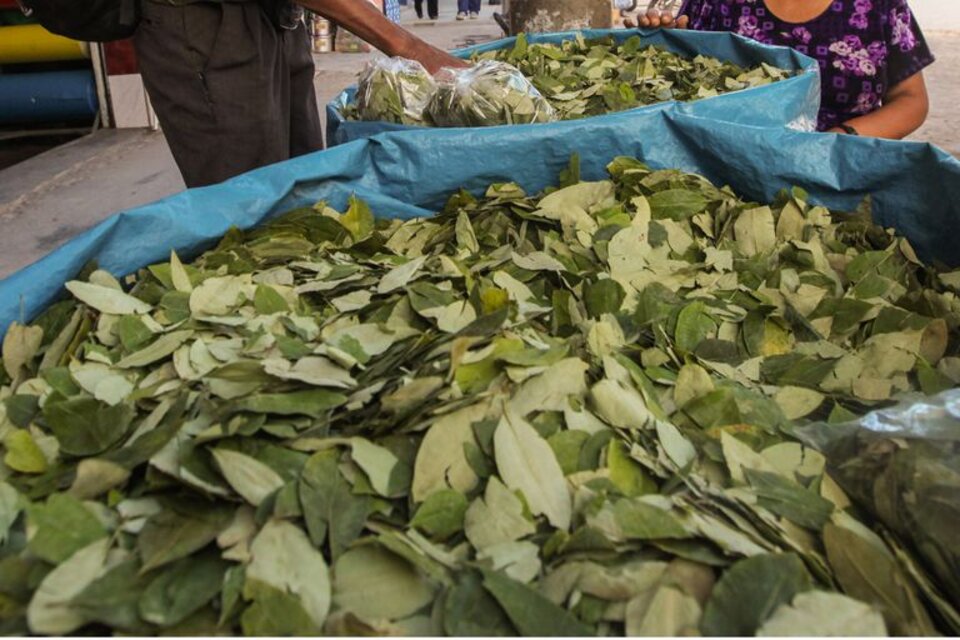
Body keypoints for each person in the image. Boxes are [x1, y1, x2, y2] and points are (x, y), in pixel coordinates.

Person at [134, 0, 465, 188]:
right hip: (205, 22)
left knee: (303, 179)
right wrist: (410, 48)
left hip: (275, 14)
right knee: (249, 200)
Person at [627, 0, 933, 138]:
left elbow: (911, 100)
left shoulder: (878, 6)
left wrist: (836, 141)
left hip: (845, 168)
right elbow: (689, 82)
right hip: (736, 164)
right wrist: (658, 46)